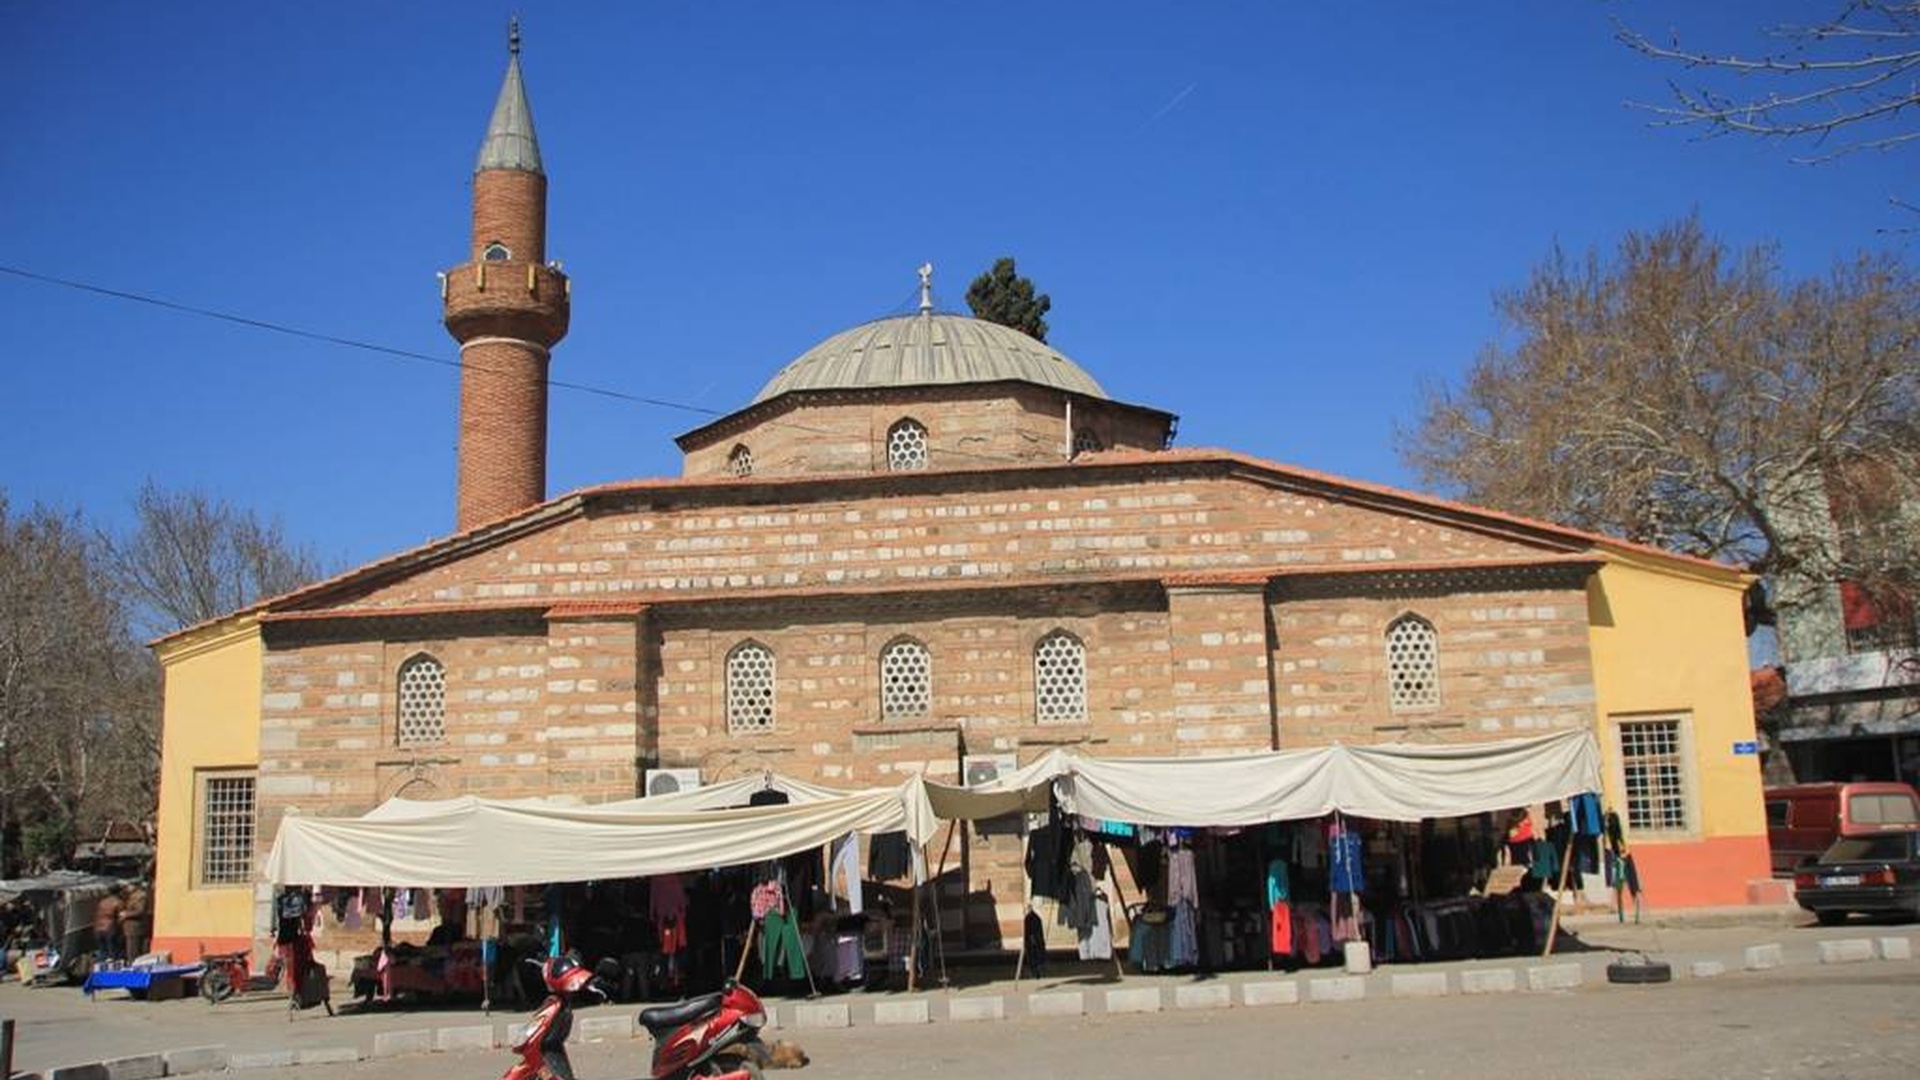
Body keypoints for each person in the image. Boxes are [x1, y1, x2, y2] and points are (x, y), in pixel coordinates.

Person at [92, 887, 126, 967]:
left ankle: (101, 969)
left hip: (98, 928)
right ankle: (113, 970)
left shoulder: (102, 902)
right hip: (110, 928)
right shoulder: (118, 902)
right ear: (119, 892)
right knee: (113, 952)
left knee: (103, 950)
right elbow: (122, 916)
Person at [119, 883, 151, 962]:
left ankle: (135, 969)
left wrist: (126, 914)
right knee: (132, 952)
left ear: (134, 885)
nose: (126, 888)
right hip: (131, 928)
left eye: (127, 886)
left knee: (133, 952)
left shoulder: (140, 896)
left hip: (135, 928)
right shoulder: (132, 896)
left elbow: (140, 910)